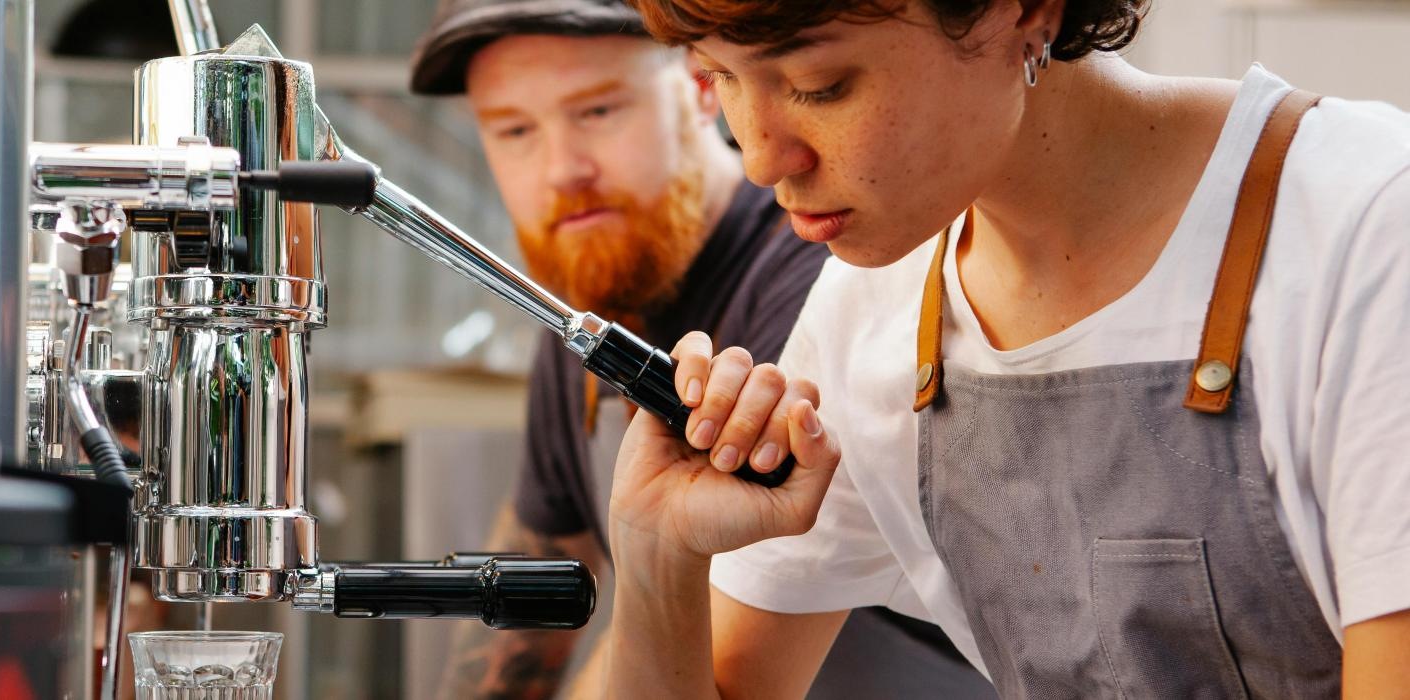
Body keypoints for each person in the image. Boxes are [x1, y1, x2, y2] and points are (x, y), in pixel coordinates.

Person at [596, 0, 1410, 697]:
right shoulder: (870, 309)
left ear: (1023, 9)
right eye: (719, 78)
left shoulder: (1371, 228)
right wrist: (660, 554)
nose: (764, 156)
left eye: (820, 86)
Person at [408, 1, 996, 697]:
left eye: (598, 112)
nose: (563, 168)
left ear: (700, 86)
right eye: (513, 130)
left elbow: (703, 660)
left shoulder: (825, 274)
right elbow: (524, 609)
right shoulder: (588, 306)